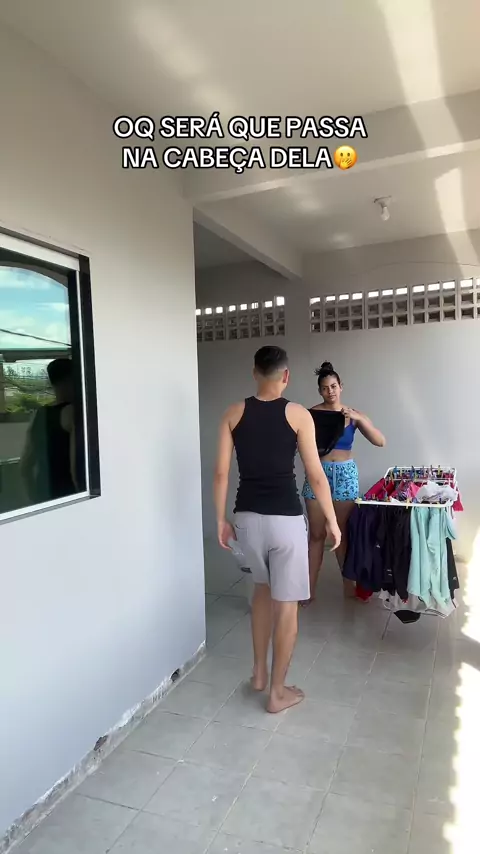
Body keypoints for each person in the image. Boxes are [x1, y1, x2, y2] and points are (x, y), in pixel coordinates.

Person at [213, 346, 341, 713]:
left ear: (255, 372)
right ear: (286, 376)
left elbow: (221, 473)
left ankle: (258, 674)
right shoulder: (298, 414)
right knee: (287, 607)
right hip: (285, 522)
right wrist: (332, 521)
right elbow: (316, 475)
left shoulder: (233, 413)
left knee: (262, 590)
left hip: (247, 520)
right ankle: (277, 692)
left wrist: (220, 519)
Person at [301, 361, 386, 604]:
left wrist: (359, 418)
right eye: (325, 388)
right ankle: (308, 590)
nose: (330, 391)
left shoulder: (353, 414)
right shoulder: (310, 415)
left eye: (334, 386)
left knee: (342, 533)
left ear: (341, 387)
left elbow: (380, 441)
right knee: (316, 534)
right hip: (318, 473)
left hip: (345, 475)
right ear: (319, 391)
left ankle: (349, 586)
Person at [21, 358, 79, 503]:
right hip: (68, 495)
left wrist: (33, 499)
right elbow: (75, 469)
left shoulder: (39, 414)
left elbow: (25, 466)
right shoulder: (72, 413)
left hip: (44, 495)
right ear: (70, 380)